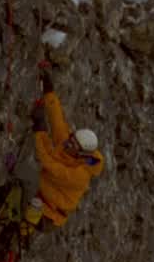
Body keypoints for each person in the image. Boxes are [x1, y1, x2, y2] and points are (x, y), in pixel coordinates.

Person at [21, 69, 105, 236]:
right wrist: (49, 91)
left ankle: (5, 243)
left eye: (73, 144)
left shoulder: (80, 176)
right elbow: (57, 120)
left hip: (49, 216)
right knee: (20, 189)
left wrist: (40, 129)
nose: (68, 143)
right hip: (41, 200)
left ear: (82, 154)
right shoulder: (69, 147)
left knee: (22, 195)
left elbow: (48, 164)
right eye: (72, 139)